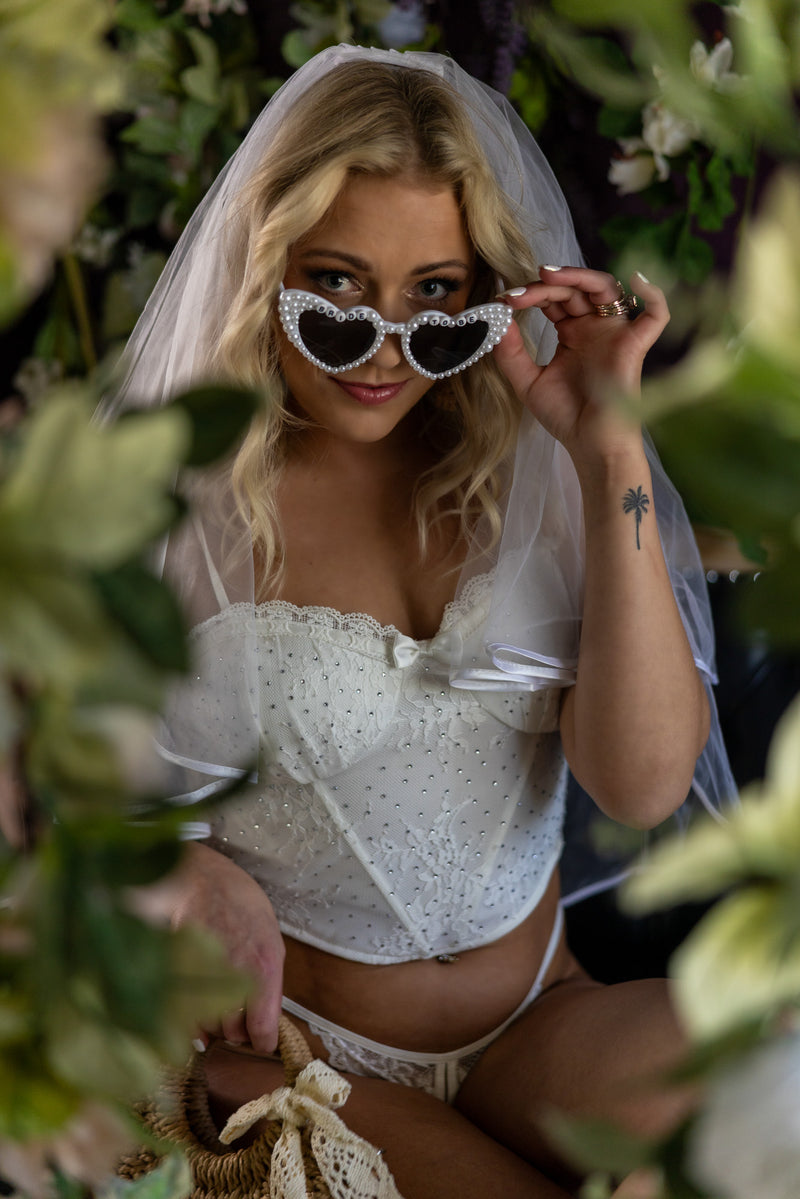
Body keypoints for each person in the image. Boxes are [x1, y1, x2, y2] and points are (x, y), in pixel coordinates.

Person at [108, 44, 735, 1198]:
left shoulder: (531, 481)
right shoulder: (176, 507)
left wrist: (603, 450)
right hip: (297, 1052)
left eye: (434, 298)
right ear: (267, 267)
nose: (385, 351)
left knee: (760, 1108)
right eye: (335, 291)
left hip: (543, 1014)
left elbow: (642, 784)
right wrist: (181, 865)